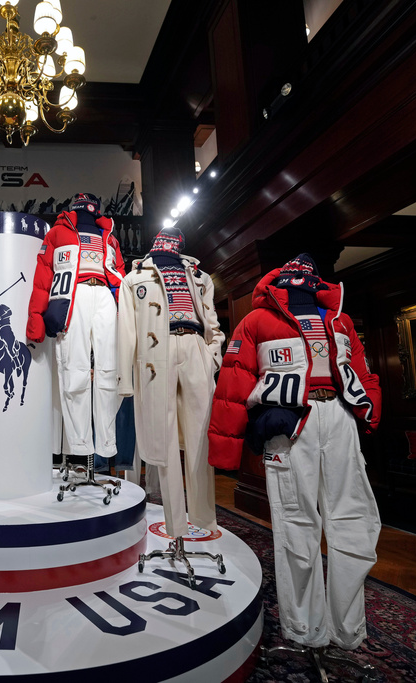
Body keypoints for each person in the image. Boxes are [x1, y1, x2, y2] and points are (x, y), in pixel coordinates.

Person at [208, 253, 381, 651]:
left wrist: (368, 408)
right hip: (289, 424)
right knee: (295, 524)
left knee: (357, 519)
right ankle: (305, 629)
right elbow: (233, 382)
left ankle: (347, 627)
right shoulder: (256, 321)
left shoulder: (339, 318)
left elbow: (360, 366)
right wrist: (226, 451)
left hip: (339, 417)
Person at [118, 225, 223, 535]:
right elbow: (125, 332)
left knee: (199, 437)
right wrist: (126, 379)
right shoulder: (134, 277)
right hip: (155, 354)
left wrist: (211, 356)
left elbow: (213, 324)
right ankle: (175, 525)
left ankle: (203, 521)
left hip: (194, 347)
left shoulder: (200, 277)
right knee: (161, 441)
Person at [27, 192, 125, 460]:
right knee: (75, 368)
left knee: (109, 370)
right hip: (73, 296)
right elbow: (42, 278)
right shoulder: (58, 233)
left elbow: (119, 275)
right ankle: (80, 444)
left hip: (105, 295)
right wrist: (35, 320)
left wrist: (126, 316)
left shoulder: (110, 236)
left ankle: (106, 443)